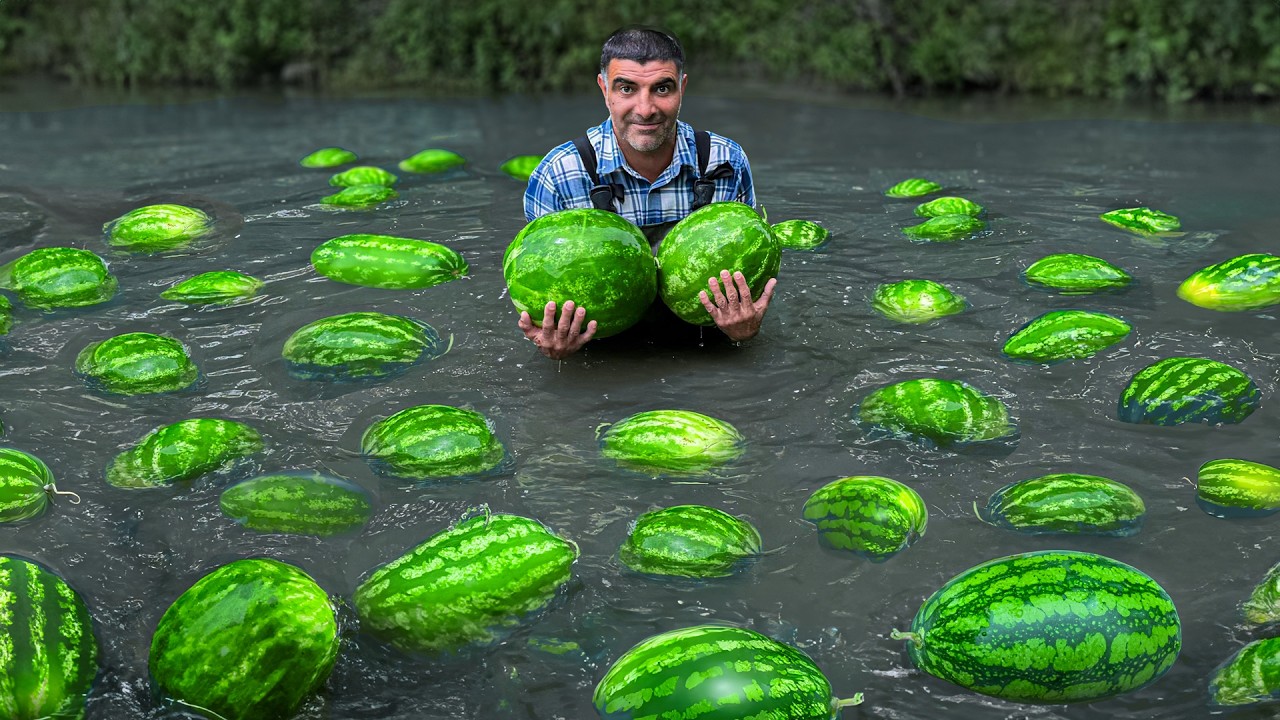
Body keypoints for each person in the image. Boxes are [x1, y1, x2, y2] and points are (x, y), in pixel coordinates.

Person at [520, 26, 777, 360]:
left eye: (662, 88)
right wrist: (551, 343)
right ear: (604, 89)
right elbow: (539, 287)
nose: (645, 109)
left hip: (701, 350)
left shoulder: (724, 160)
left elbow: (750, 266)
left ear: (682, 88)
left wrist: (743, 334)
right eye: (627, 88)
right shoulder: (559, 174)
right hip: (604, 355)